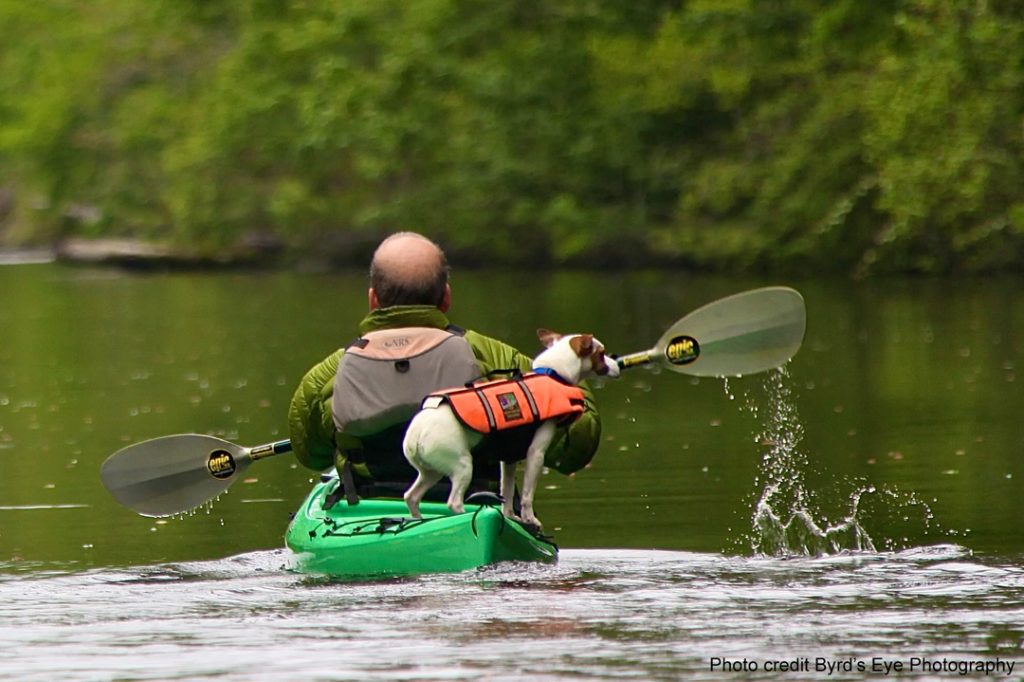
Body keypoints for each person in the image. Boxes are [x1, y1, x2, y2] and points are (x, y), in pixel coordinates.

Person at [288, 231, 603, 501]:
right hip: (471, 507)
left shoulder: (326, 376)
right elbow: (575, 447)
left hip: (369, 513)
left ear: (373, 299)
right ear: (446, 297)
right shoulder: (499, 360)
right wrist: (569, 373)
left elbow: (312, 455)